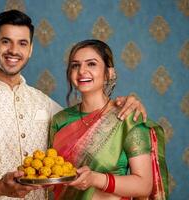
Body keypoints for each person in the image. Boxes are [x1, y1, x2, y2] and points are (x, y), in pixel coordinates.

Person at [0, 10, 148, 200]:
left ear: (30, 49)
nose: (14, 50)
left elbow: (90, 120)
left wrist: (127, 103)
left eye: (22, 43)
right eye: (6, 42)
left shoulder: (45, 104)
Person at [49, 40, 169, 200]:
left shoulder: (128, 117)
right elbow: (51, 174)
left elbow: (144, 186)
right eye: (75, 65)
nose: (82, 71)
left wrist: (95, 179)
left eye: (91, 64)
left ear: (109, 73)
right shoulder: (60, 120)